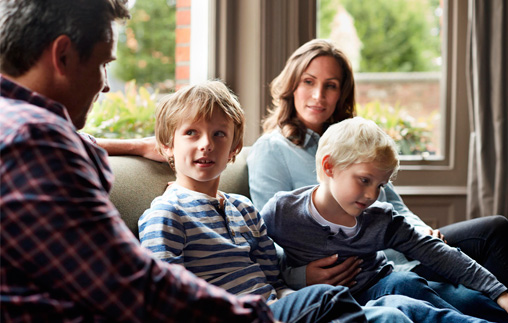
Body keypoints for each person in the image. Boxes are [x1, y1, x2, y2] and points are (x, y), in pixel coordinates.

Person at [137, 78, 503, 323]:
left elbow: (273, 272)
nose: (206, 144)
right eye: (191, 133)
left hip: (283, 305)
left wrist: (293, 286)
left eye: (219, 134)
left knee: (399, 304)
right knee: (359, 304)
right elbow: (160, 298)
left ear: (234, 149)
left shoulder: (243, 209)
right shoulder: (166, 213)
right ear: (167, 146)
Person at [0, 1, 274, 321]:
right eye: (104, 63)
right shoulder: (35, 142)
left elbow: (80, 142)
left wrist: (136, 146)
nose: (105, 84)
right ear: (62, 55)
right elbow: (131, 287)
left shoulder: (16, 124)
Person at [246, 38, 508, 320]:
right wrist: (300, 276)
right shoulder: (272, 152)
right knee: (451, 298)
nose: (319, 95)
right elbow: (267, 239)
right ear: (292, 85)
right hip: (360, 272)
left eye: (331, 85)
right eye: (309, 81)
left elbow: (394, 204)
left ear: (341, 93)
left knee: (493, 230)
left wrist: (420, 230)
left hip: (396, 249)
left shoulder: (357, 141)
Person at [260, 117, 508, 323]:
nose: (372, 195)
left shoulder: (379, 218)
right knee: (407, 289)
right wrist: (299, 277)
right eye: (364, 180)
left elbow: (438, 253)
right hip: (334, 303)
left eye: (380, 185)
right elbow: (260, 260)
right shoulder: (281, 212)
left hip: (383, 283)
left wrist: (500, 292)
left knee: (457, 296)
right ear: (329, 167)